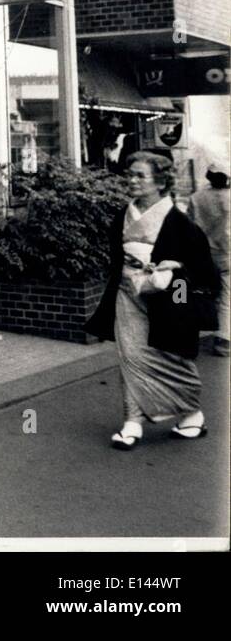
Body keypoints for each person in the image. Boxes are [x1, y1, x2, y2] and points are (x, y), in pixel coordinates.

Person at [85, 151, 220, 450]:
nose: (131, 180)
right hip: (127, 293)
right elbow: (115, 258)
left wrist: (177, 274)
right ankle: (132, 423)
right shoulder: (123, 216)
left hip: (168, 298)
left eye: (139, 176)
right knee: (130, 357)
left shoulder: (181, 224)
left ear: (160, 182)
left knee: (172, 357)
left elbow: (203, 273)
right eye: (129, 174)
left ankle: (191, 414)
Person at [187, 164, 230, 357]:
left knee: (201, 293)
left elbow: (190, 225)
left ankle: (189, 333)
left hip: (203, 254)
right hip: (227, 253)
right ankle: (224, 340)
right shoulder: (229, 197)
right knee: (227, 295)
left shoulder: (196, 197)